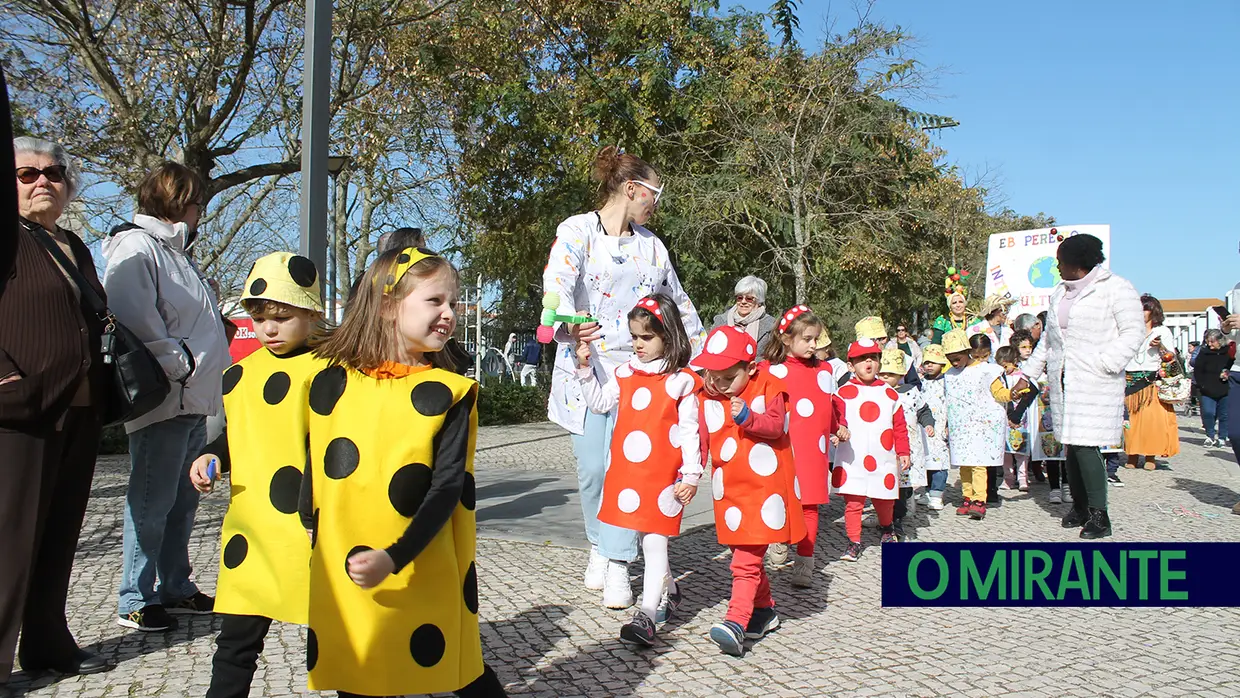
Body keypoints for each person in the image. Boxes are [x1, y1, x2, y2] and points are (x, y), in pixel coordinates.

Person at [297, 248, 507, 697]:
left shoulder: (450, 392)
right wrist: (312, 532)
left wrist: (395, 556)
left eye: (451, 302)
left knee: (459, 666)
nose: (449, 314)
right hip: (346, 562)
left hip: (421, 560)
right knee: (358, 667)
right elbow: (314, 465)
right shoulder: (331, 381)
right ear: (390, 306)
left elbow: (448, 486)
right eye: (435, 301)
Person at [542, 146, 705, 609]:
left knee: (625, 468)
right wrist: (566, 322)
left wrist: (708, 357)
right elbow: (556, 282)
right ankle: (599, 543)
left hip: (644, 376)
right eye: (654, 193)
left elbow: (679, 303)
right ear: (631, 189)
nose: (657, 202)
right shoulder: (577, 230)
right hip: (588, 367)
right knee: (594, 468)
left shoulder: (652, 245)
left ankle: (617, 562)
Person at [1, 136, 113, 687]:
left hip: (80, 408)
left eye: (54, 174)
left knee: (60, 531)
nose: (43, 182)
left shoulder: (72, 244)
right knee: (10, 537)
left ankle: (47, 642)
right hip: (19, 410)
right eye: (27, 174)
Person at [187, 253, 324, 698]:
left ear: (310, 312)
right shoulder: (240, 374)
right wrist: (211, 457)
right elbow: (236, 434)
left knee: (337, 639)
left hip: (311, 532)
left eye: (282, 317)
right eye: (260, 316)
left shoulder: (330, 372)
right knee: (235, 644)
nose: (268, 328)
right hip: (252, 531)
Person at [103, 162, 231, 631]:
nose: (202, 211)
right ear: (180, 201)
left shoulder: (175, 253)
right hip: (166, 398)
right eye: (198, 202)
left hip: (192, 398)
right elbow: (133, 314)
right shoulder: (137, 247)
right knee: (152, 500)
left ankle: (176, 586)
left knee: (181, 502)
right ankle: (135, 597)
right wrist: (180, 362)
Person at [574, 295, 701, 647]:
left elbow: (690, 430)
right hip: (630, 474)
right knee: (647, 539)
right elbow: (599, 403)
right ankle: (670, 590)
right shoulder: (625, 372)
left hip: (664, 476)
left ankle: (646, 615)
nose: (638, 344)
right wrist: (584, 369)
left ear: (668, 336)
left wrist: (691, 474)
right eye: (634, 337)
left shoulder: (681, 381)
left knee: (656, 538)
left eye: (646, 337)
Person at [692, 326, 804, 658]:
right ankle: (765, 611)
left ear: (750, 367)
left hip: (763, 489)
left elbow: (777, 425)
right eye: (713, 374)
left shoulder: (769, 385)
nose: (718, 382)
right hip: (730, 492)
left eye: (728, 376)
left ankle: (735, 621)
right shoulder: (705, 394)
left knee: (744, 559)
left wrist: (749, 417)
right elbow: (699, 438)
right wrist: (689, 472)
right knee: (748, 555)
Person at [1024, 233, 1144, 538]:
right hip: (1063, 380)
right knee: (1071, 446)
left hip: (1095, 380)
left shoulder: (1116, 288)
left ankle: (1099, 515)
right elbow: (1049, 343)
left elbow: (1133, 333)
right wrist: (1027, 374)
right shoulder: (1059, 293)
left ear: (1077, 262)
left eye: (1060, 261)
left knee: (1087, 445)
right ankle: (1078, 505)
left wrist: (1106, 362)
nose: (1057, 266)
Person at [760, 306, 847, 587]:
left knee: (809, 505)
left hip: (813, 450)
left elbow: (832, 404)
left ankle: (805, 562)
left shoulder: (824, 370)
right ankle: (781, 538)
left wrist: (839, 425)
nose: (814, 345)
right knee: (781, 500)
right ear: (787, 339)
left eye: (816, 339)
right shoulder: (770, 371)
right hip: (781, 448)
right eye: (807, 339)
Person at [832, 339, 909, 560]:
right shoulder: (843, 393)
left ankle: (887, 527)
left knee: (884, 499)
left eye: (873, 358)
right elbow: (836, 419)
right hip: (852, 458)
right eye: (862, 359)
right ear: (850, 365)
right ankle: (854, 541)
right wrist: (838, 430)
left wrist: (903, 451)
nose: (869, 362)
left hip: (882, 456)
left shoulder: (890, 394)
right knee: (854, 501)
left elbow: (900, 426)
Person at [943, 331, 1019, 520]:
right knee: (964, 463)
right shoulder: (950, 374)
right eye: (950, 359)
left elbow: (998, 393)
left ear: (967, 351)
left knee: (978, 464)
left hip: (981, 425)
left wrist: (1011, 395)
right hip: (961, 426)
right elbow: (949, 400)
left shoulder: (987, 370)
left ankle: (979, 500)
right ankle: (967, 497)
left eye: (957, 358)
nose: (954, 363)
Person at [881, 349, 932, 541]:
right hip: (884, 449)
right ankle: (885, 519)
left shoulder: (911, 393)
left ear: (901, 375)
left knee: (902, 487)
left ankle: (896, 520)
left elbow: (923, 410)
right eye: (882, 374)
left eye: (890, 374)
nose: (885, 378)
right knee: (885, 486)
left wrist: (928, 423)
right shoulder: (877, 393)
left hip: (906, 448)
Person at [1123, 295, 1180, 469]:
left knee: (1151, 421)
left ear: (1153, 311)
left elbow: (1171, 359)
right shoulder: (1128, 330)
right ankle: (1131, 455)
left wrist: (1160, 346)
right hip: (1129, 378)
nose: (1141, 312)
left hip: (1151, 380)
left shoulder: (1162, 331)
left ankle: (1150, 456)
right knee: (1129, 421)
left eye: (1145, 308)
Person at [996, 345, 1039, 492]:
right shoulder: (999, 378)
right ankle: (1008, 478)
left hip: (1020, 418)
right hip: (1004, 417)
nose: (1003, 369)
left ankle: (1022, 477)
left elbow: (1027, 394)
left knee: (1021, 450)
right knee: (1006, 451)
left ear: (1013, 361)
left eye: (1005, 366)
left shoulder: (1022, 377)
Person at [712, 276, 777, 356]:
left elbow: (773, 356)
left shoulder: (771, 325)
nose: (743, 302)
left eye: (749, 298)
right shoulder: (720, 321)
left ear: (759, 301)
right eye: (740, 297)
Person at [919, 345, 951, 510]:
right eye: (927, 362)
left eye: (934, 362)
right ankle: (927, 491)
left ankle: (937, 494)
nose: (929, 366)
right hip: (924, 429)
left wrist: (948, 425)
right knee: (925, 460)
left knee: (939, 462)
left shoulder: (947, 382)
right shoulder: (921, 383)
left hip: (940, 428)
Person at [1193, 329, 1230, 448]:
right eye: (1208, 341)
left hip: (1225, 388)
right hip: (1207, 388)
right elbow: (1198, 370)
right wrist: (1201, 385)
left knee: (1224, 414)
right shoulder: (1204, 353)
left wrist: (1227, 373)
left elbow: (1232, 366)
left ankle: (1222, 437)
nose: (1210, 344)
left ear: (1220, 341)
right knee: (1208, 412)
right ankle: (1210, 435)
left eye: (1212, 342)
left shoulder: (1228, 352)